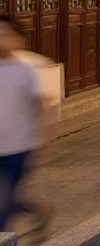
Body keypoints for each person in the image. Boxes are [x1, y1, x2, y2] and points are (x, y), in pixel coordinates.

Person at [0, 16, 46, 234]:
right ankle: (35, 211)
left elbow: (41, 108)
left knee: (2, 206)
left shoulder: (28, 67)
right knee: (7, 198)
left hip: (17, 149)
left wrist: (43, 143)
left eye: (5, 33)